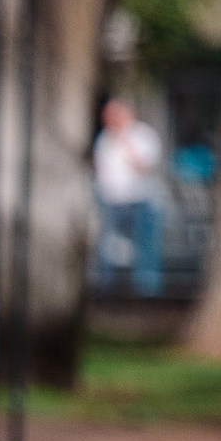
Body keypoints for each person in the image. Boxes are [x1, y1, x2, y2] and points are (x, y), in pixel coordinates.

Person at [91, 97, 164, 297]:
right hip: (111, 200)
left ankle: (147, 291)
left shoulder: (143, 135)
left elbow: (145, 166)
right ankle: (106, 290)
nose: (108, 119)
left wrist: (125, 142)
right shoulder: (104, 139)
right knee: (106, 247)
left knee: (146, 247)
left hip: (141, 200)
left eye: (112, 114)